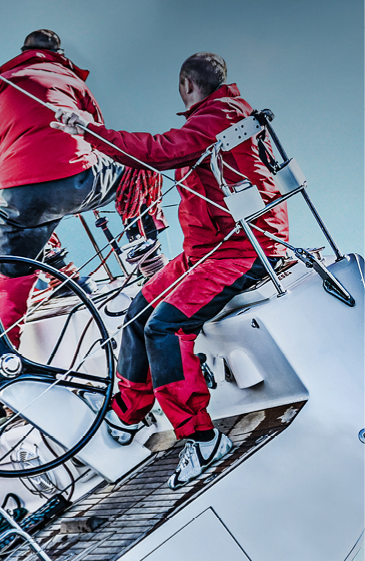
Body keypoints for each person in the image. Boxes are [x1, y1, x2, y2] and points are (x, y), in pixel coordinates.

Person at [52, 51, 289, 488]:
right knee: (140, 309)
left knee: (164, 326)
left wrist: (89, 130)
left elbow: (157, 153)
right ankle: (129, 411)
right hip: (208, 250)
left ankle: (201, 437)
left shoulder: (214, 118)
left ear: (186, 84)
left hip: (244, 250)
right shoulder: (227, 113)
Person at [0, 29, 162, 332]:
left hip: (17, 189)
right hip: (79, 178)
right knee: (139, 165)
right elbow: (100, 137)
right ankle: (146, 253)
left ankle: (4, 351)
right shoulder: (72, 81)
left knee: (7, 279)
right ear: (61, 56)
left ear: (21, 52)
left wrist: (0, 203)